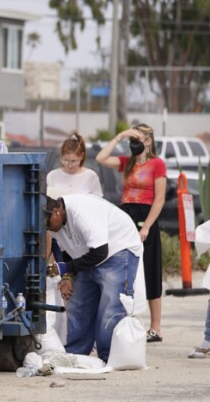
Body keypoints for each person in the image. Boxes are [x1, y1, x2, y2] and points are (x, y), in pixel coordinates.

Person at [44, 194, 142, 362]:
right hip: (88, 254)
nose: (49, 229)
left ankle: (108, 356)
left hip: (117, 250)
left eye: (47, 224)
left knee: (110, 308)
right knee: (78, 306)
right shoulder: (56, 224)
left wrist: (66, 268)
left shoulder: (82, 213)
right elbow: (65, 252)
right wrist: (67, 276)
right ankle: (76, 354)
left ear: (55, 212)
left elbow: (100, 252)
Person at [96, 123, 166, 343]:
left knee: (151, 268)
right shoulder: (127, 163)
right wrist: (120, 136)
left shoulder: (157, 164)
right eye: (133, 139)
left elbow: (160, 198)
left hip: (147, 215)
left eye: (139, 138)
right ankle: (124, 319)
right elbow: (101, 158)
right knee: (124, 266)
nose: (135, 142)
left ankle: (156, 327)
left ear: (148, 140)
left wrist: (146, 226)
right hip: (126, 214)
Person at [46, 132, 103, 261]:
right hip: (58, 233)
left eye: (74, 161)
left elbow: (98, 205)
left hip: (81, 234)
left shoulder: (90, 176)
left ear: (81, 157)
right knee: (59, 273)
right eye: (66, 160)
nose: (70, 165)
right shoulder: (52, 176)